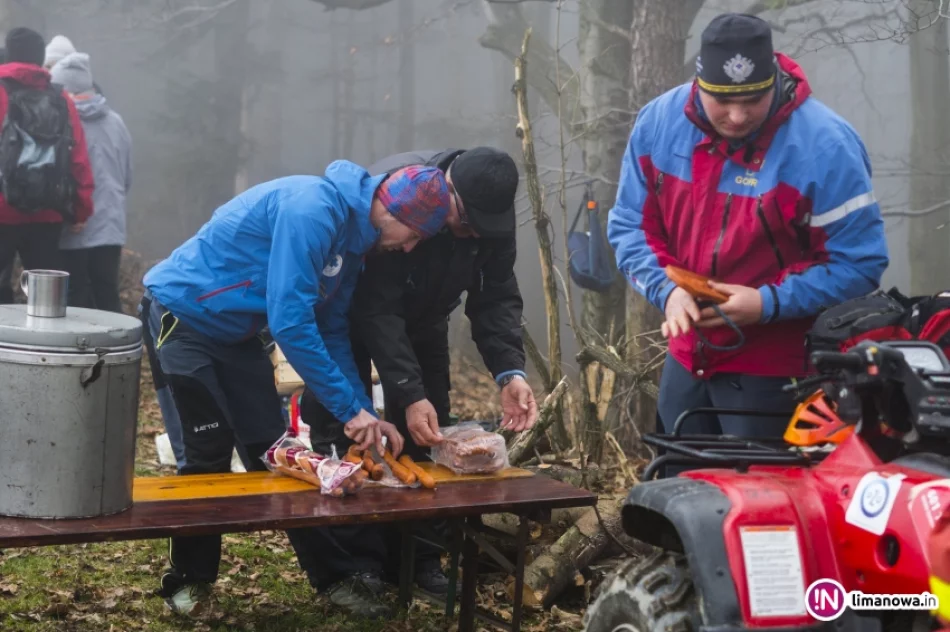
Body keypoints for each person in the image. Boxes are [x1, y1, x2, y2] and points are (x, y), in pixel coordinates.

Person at [139, 161, 451, 616]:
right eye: (414, 234)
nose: (410, 247)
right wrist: (349, 409)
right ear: (391, 209)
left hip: (236, 334)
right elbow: (289, 321)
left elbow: (331, 328)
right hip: (181, 318)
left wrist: (363, 412)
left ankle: (334, 578)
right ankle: (187, 583)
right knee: (205, 456)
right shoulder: (313, 210)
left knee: (283, 455)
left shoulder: (353, 243)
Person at [607, 14, 889, 452]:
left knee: (762, 507)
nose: (737, 116)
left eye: (753, 99)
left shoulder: (827, 146)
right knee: (675, 489)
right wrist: (667, 290)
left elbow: (860, 263)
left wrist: (767, 303)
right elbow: (629, 226)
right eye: (723, 100)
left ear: (774, 81)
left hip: (778, 366)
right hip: (687, 356)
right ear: (699, 83)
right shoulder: (658, 123)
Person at [298, 147, 539, 616]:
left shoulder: (490, 219)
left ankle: (417, 555)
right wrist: (407, 392)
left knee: (430, 433)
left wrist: (509, 370)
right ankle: (354, 564)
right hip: (352, 313)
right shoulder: (408, 193)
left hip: (426, 320)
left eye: (482, 227)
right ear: (449, 186)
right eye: (465, 220)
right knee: (345, 428)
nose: (472, 233)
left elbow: (496, 299)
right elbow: (377, 307)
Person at [0, 28, 94, 292]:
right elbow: (78, 159)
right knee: (44, 297)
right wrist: (80, 209)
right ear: (40, 57)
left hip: (2, 208)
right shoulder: (60, 98)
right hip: (47, 210)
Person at [51, 52, 132, 313]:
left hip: (74, 226)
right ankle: (117, 352)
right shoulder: (116, 122)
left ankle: (77, 353)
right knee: (107, 294)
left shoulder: (62, 123)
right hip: (111, 226)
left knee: (75, 299)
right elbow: (126, 176)